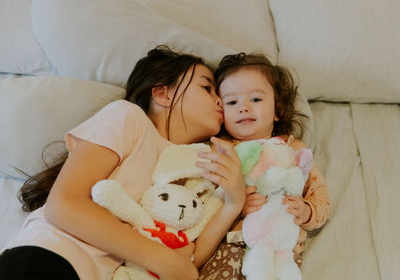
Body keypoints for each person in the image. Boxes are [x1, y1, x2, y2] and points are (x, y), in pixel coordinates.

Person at [0, 46, 247, 280]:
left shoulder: (195, 167)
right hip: (50, 256)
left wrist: (234, 201)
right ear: (163, 94)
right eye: (207, 88)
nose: (220, 101)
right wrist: (161, 258)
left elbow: (184, 260)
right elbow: (63, 204)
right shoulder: (129, 117)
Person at [198, 52, 330, 279]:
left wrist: (306, 211)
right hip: (230, 246)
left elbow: (321, 200)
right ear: (221, 113)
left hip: (280, 253)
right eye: (232, 102)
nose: (244, 107)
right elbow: (205, 203)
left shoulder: (294, 150)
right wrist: (239, 206)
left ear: (278, 110)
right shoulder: (223, 150)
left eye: (256, 99)